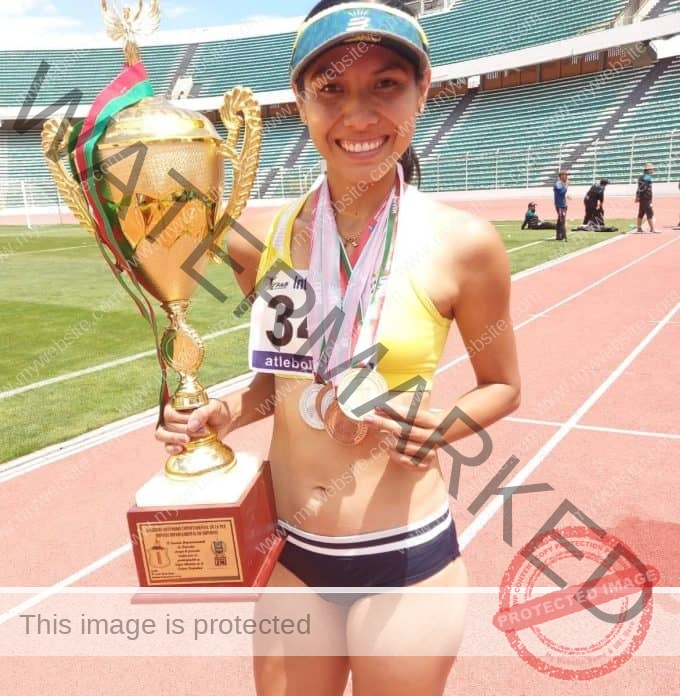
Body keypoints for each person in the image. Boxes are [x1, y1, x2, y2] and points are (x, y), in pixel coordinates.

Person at [156, 1, 521, 694]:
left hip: (404, 562)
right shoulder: (279, 232)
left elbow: (502, 383)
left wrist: (445, 426)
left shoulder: (465, 245)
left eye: (386, 85)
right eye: (330, 89)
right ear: (299, 103)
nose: (358, 115)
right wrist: (223, 415)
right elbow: (279, 382)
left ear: (422, 92)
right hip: (294, 559)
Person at [634, 163, 657, 233]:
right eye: (652, 169)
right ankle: (652, 229)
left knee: (641, 213)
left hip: (643, 198)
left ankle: (639, 228)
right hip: (646, 198)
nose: (653, 170)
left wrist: (637, 196)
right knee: (650, 213)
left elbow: (639, 188)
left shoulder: (641, 177)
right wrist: (639, 196)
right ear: (648, 170)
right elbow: (642, 188)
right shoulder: (647, 178)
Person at [553, 170, 570, 241]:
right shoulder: (558, 184)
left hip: (563, 204)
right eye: (565, 175)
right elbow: (561, 192)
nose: (567, 177)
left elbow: (563, 194)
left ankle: (558, 236)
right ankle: (564, 236)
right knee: (562, 220)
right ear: (561, 176)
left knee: (560, 220)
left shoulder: (562, 184)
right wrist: (566, 186)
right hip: (560, 205)